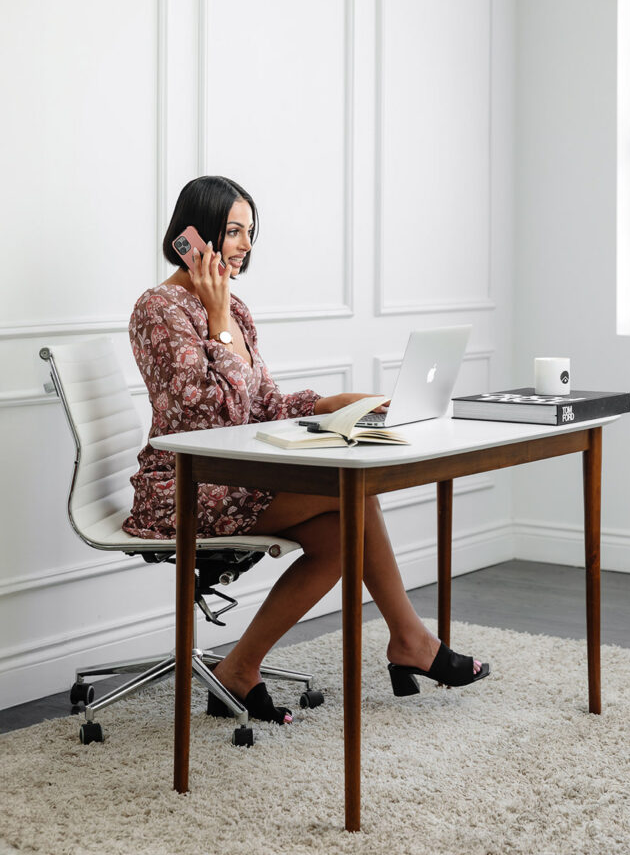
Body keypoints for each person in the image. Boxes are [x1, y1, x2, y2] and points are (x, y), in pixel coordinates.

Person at [126, 176, 489, 724]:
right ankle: (409, 643)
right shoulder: (159, 309)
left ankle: (243, 669)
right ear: (191, 236)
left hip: (235, 477)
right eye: (232, 231)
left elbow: (263, 403)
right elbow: (201, 420)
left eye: (250, 232)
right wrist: (219, 326)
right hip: (184, 486)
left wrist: (339, 403)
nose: (246, 245)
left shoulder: (237, 308)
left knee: (343, 526)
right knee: (350, 497)